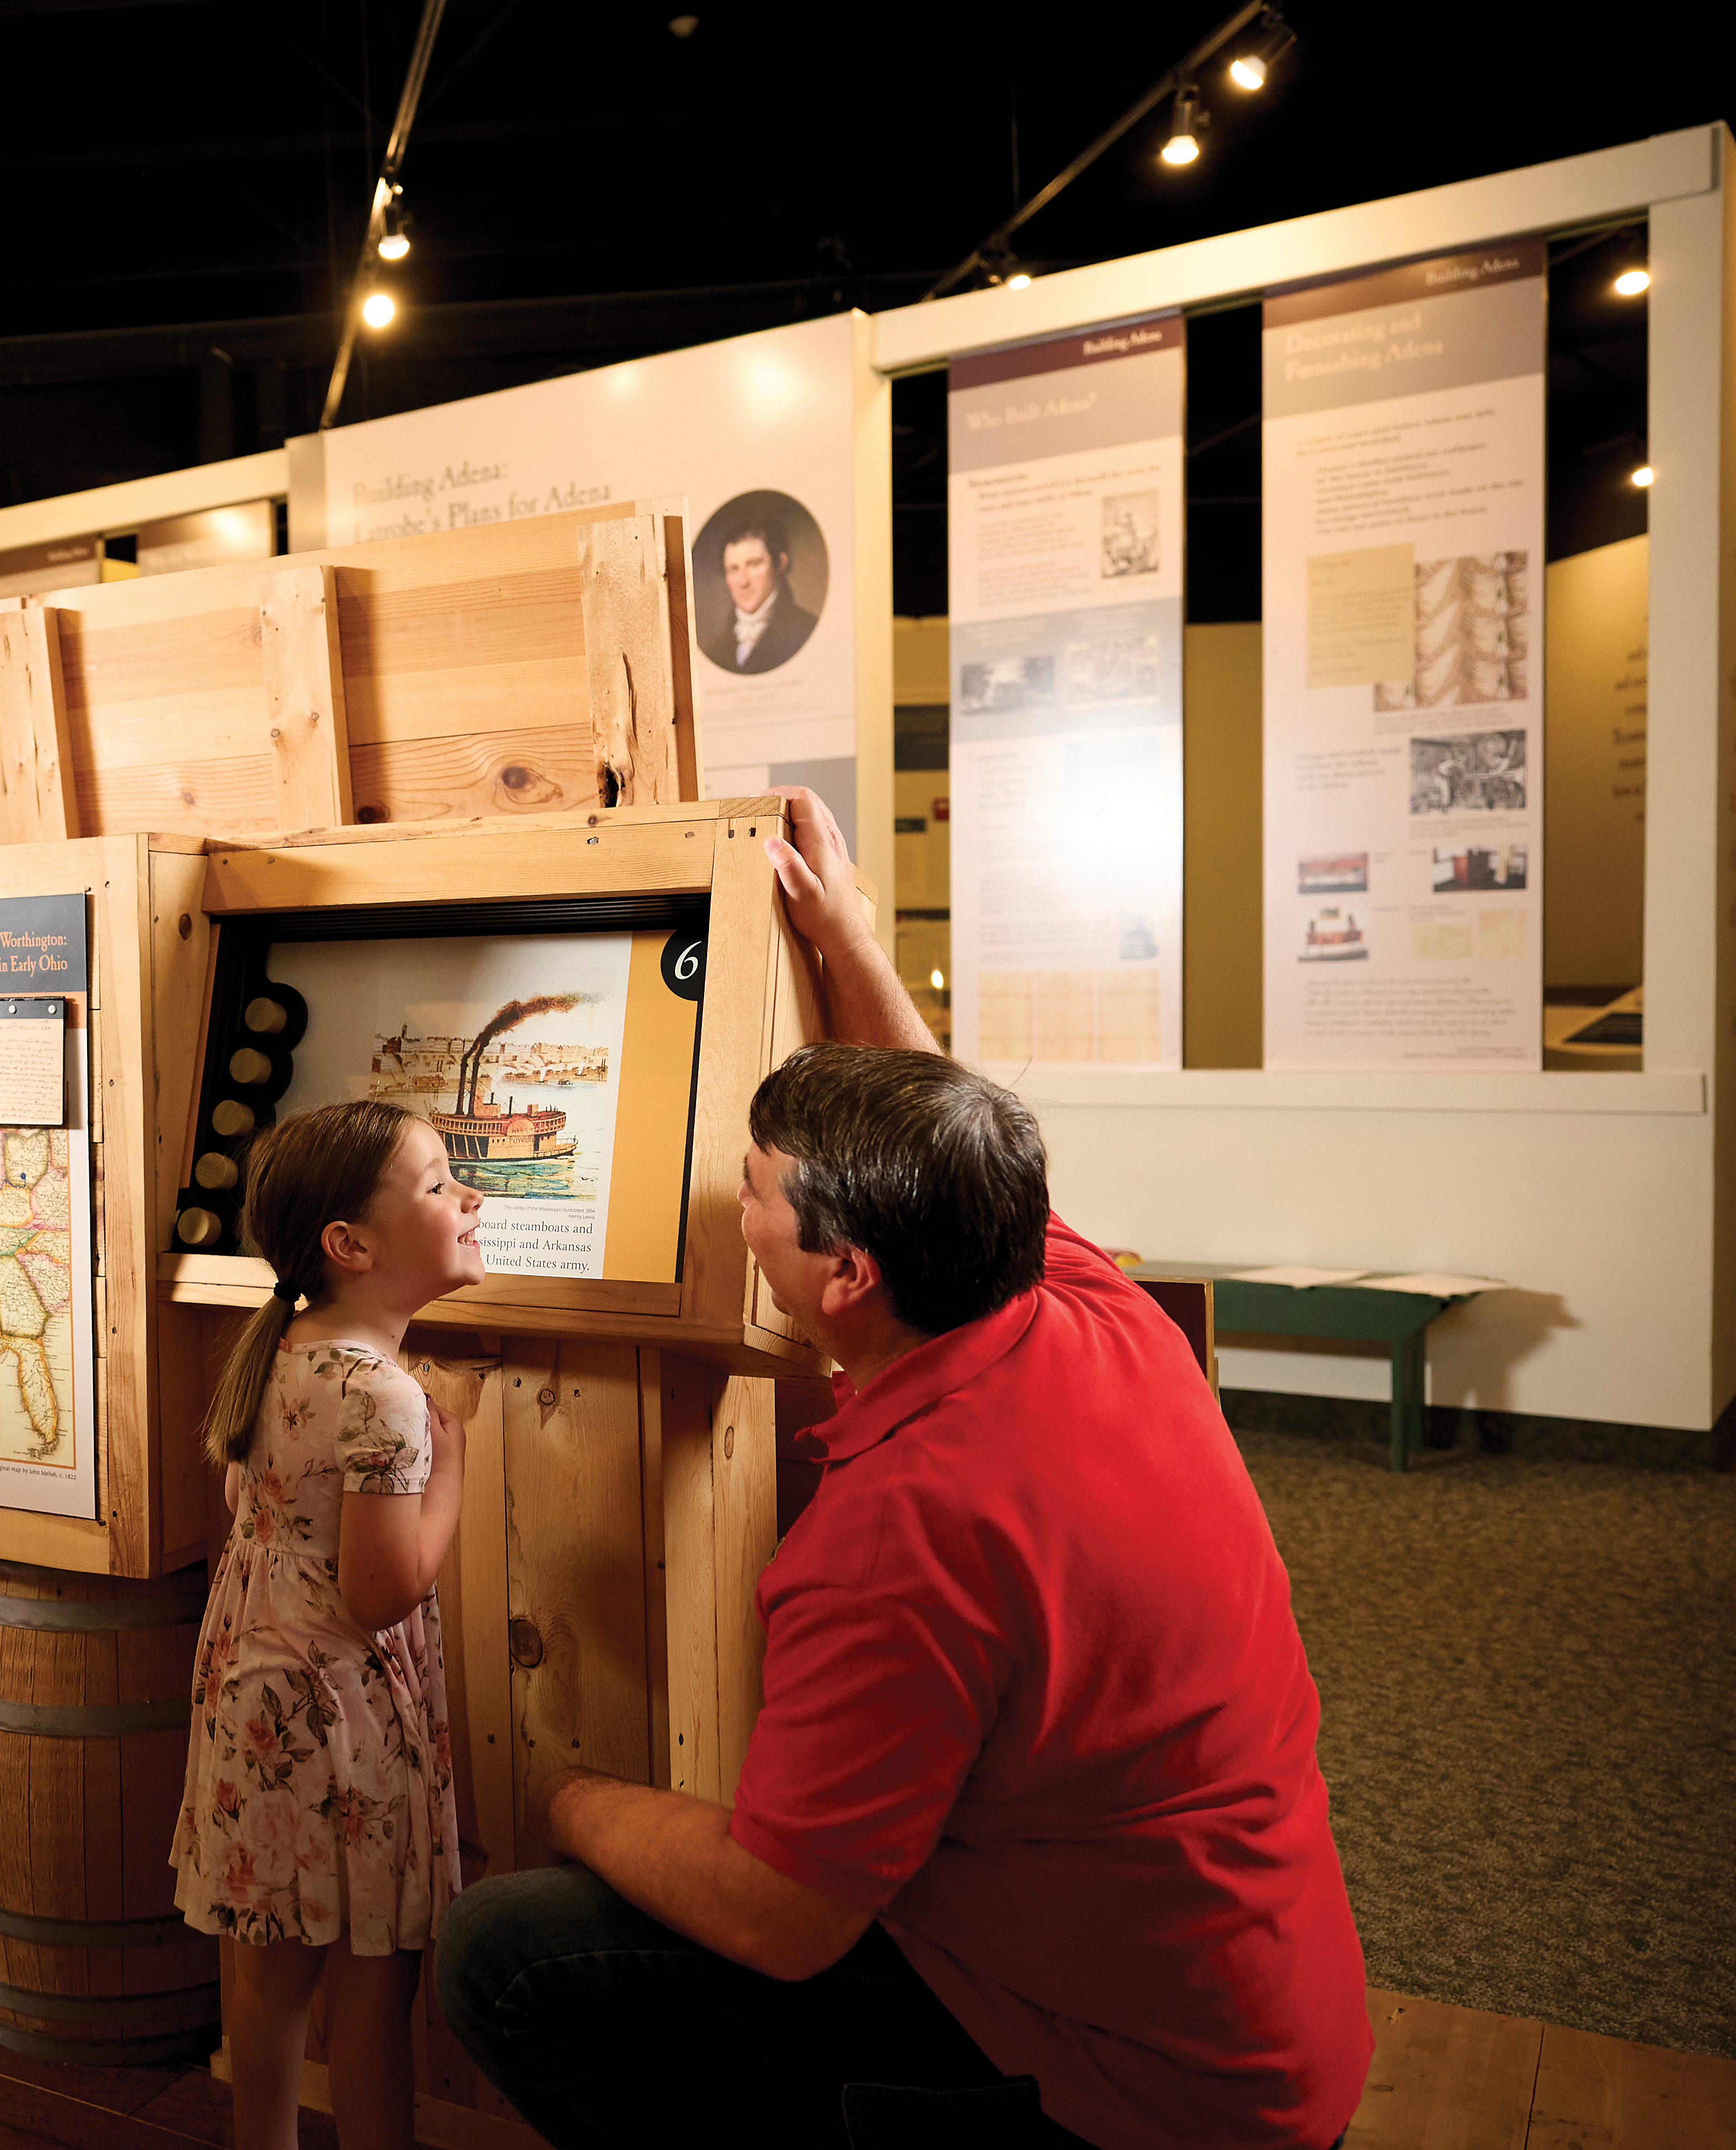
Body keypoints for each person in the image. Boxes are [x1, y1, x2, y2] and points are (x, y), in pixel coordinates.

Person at [437, 788, 1369, 2150]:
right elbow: (956, 1134)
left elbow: (782, 1915)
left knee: (506, 1949)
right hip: (1255, 2005)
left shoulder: (896, 1535)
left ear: (847, 1274)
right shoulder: (1083, 1309)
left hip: (1137, 2094)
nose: (732, 1205)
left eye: (750, 1184)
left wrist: (565, 1794)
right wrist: (851, 940)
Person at [168, 1099, 481, 2150]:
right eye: (439, 1184)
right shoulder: (386, 1395)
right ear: (351, 1245)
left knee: (273, 1965)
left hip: (258, 1703)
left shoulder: (285, 1349)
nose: (468, 1196)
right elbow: (381, 1592)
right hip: (341, 1721)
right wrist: (455, 1471)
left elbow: (246, 1512)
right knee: (375, 1972)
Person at [714, 519, 819, 673]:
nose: (743, 582)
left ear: (780, 564)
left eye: (754, 565)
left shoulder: (808, 632)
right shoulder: (716, 651)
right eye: (733, 569)